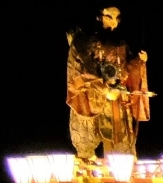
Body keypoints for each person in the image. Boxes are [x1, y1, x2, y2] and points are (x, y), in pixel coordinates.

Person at [65, 6, 151, 159]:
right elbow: (82, 70)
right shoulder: (82, 42)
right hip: (91, 97)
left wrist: (139, 62)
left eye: (117, 18)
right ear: (99, 16)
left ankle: (121, 173)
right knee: (86, 144)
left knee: (121, 147)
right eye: (109, 17)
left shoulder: (121, 44)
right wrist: (103, 89)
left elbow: (124, 69)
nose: (114, 23)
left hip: (116, 100)